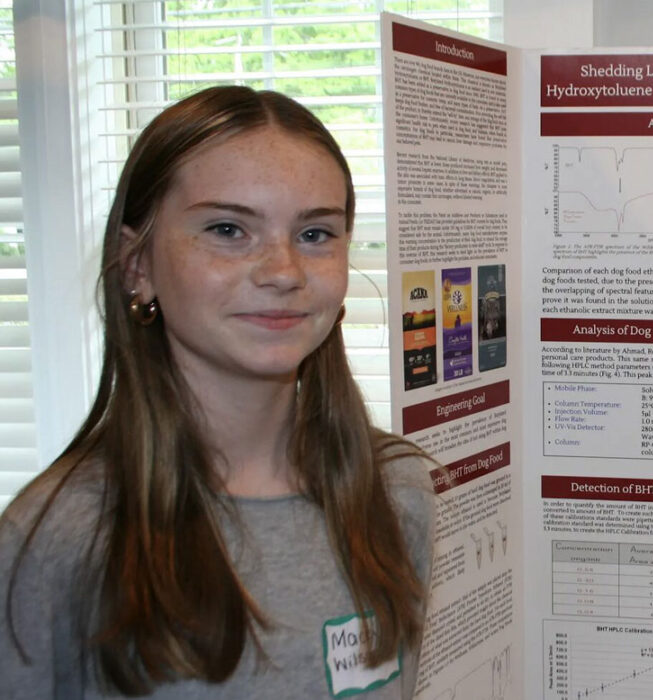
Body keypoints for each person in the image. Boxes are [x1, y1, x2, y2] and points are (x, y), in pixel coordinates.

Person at [0, 86, 435, 698]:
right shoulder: (62, 536)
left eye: (315, 235)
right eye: (229, 229)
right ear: (138, 266)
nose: (283, 271)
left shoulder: (397, 492)